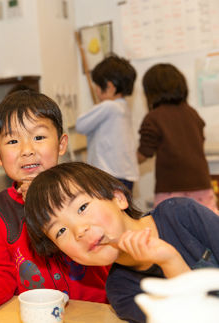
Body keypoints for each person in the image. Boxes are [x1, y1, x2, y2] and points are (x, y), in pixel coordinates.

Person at [0, 90, 110, 323]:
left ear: (61, 144)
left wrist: (46, 203)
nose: (27, 150)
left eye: (39, 137)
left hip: (97, 313)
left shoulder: (84, 192)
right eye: (12, 141)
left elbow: (100, 248)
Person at [24, 161, 219, 323]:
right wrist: (169, 261)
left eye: (82, 207)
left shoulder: (181, 215)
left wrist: (169, 258)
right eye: (61, 231)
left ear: (118, 198)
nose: (79, 231)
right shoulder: (121, 291)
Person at [137, 63, 218, 213]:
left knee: (172, 229)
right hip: (201, 184)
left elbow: (144, 153)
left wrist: (124, 162)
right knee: (209, 226)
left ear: (151, 91)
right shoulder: (192, 113)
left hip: (170, 188)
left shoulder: (153, 117)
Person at [75, 55, 138, 191]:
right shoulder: (123, 107)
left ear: (109, 87)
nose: (96, 90)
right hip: (125, 175)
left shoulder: (109, 106)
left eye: (97, 85)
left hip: (108, 175)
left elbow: (80, 124)